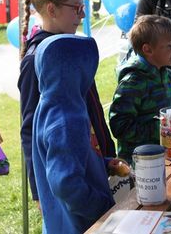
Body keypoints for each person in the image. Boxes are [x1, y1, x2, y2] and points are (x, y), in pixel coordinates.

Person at [17, 0, 117, 206]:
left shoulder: (72, 50)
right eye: (76, 8)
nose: (82, 15)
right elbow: (29, 129)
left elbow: (91, 107)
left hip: (92, 159)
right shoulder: (36, 61)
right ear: (52, 10)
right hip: (67, 171)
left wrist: (106, 152)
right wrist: (39, 192)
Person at [32, 34, 115, 233]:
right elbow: (66, 184)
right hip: (82, 225)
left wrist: (104, 164)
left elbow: (65, 158)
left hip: (58, 222)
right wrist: (103, 208)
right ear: (77, 71)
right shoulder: (68, 119)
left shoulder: (48, 104)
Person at [109, 15, 171, 163]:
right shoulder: (133, 83)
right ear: (148, 49)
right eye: (170, 45)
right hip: (139, 165)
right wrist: (160, 129)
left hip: (167, 158)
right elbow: (120, 126)